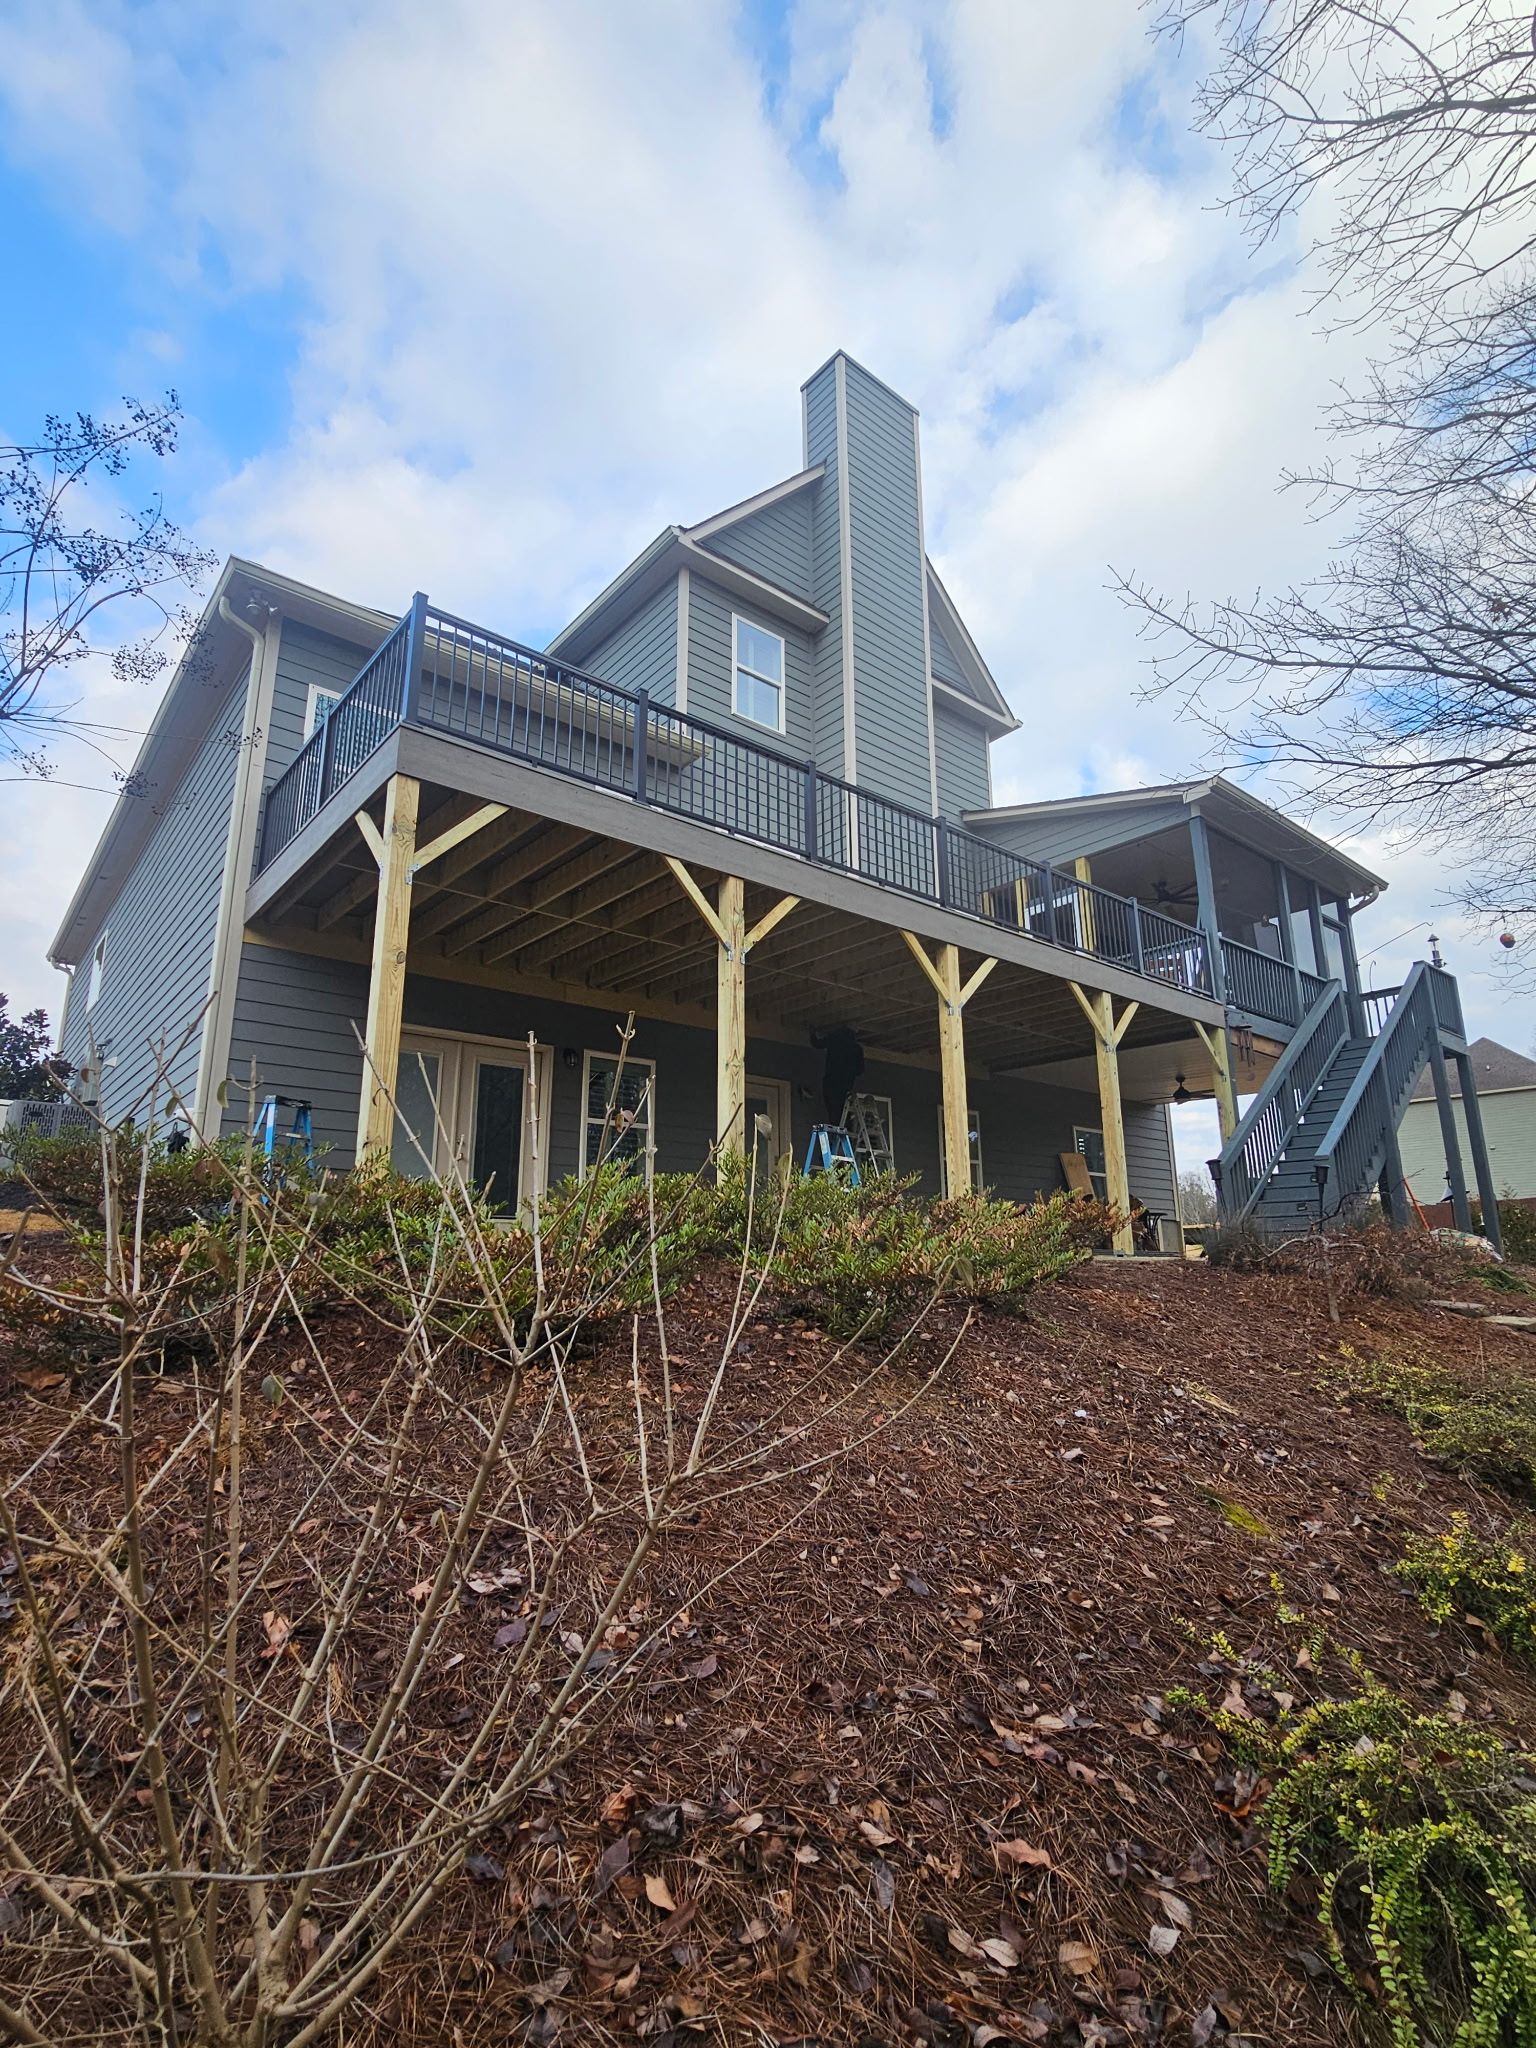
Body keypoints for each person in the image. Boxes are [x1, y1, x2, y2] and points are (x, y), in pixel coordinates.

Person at [810, 1024, 865, 1127]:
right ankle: (846, 1130)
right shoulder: (856, 1048)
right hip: (846, 1085)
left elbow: (817, 1043)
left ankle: (837, 1129)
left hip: (831, 1081)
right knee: (844, 1109)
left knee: (833, 1108)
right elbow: (860, 1071)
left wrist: (812, 1032)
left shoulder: (834, 1040)